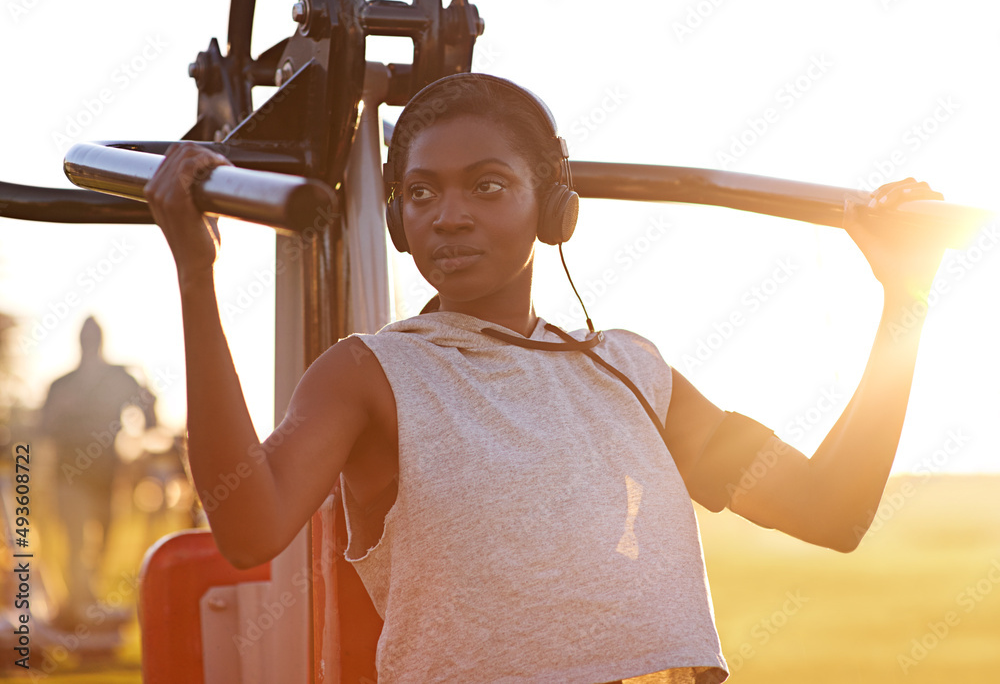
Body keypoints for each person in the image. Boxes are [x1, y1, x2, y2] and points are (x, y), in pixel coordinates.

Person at [144, 73, 948, 683]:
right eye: (420, 192)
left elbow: (829, 508)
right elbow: (248, 527)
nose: (446, 215)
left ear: (553, 208)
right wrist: (194, 275)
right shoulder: (372, 374)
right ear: (396, 220)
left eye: (486, 186)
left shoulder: (631, 371)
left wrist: (905, 299)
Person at [40, 316, 157, 627]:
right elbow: (43, 430)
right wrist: (59, 413)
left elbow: (150, 420)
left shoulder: (120, 379)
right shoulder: (61, 384)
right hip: (68, 476)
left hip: (108, 476)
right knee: (75, 542)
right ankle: (77, 608)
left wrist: (148, 396)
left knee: (103, 543)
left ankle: (86, 605)